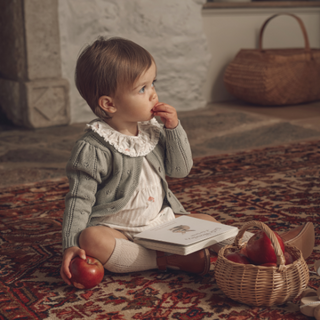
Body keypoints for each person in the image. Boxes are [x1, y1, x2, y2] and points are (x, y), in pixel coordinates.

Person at [61, 37, 314, 286]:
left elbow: (180, 170)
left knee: (208, 222)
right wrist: (71, 245)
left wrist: (173, 129)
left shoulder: (152, 131)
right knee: (91, 239)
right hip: (117, 229)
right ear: (109, 103)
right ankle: (168, 259)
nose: (153, 94)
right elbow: (79, 200)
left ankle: (267, 247)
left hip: (162, 221)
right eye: (142, 88)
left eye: (152, 84)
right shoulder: (93, 146)